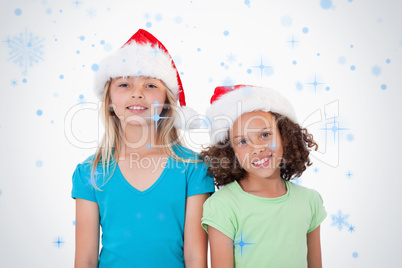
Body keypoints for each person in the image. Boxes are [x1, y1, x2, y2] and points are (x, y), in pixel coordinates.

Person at [71, 29, 215, 268]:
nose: (137, 94)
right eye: (125, 84)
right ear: (109, 101)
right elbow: (85, 260)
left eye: (150, 85)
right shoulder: (90, 172)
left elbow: (195, 258)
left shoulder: (193, 169)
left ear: (167, 101)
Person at [200, 85, 327, 267]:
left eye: (265, 135)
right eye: (243, 141)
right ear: (230, 151)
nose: (257, 148)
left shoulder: (309, 200)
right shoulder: (223, 205)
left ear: (285, 136)